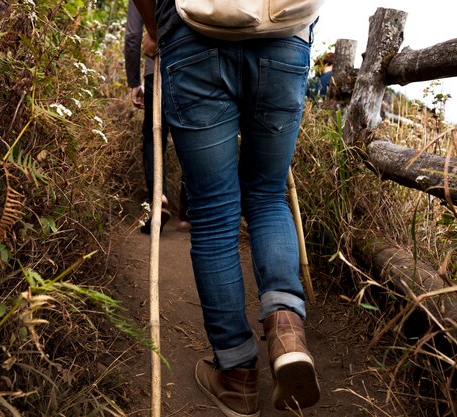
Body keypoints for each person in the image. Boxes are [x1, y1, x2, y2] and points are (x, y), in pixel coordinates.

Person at [133, 0, 321, 415]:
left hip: (191, 35)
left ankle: (236, 376)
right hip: (284, 37)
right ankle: (286, 328)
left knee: (215, 213)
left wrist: (154, 28)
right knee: (268, 194)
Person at [124, 0, 190, 234]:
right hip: (192, 65)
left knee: (154, 135)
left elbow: (133, 35)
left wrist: (134, 81)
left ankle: (157, 197)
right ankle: (188, 214)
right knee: (191, 134)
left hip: (158, 68)